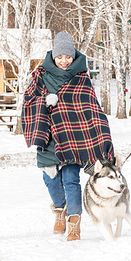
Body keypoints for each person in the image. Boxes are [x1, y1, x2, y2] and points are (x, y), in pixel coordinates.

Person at [21, 32, 114, 241]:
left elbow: (91, 109)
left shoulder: (81, 77)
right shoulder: (41, 74)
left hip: (73, 139)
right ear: (54, 56)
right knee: (50, 180)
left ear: (73, 56)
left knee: (71, 180)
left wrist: (102, 137)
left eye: (68, 57)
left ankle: (74, 223)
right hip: (49, 138)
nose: (64, 61)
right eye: (60, 57)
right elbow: (28, 101)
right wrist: (45, 100)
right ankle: (59, 210)